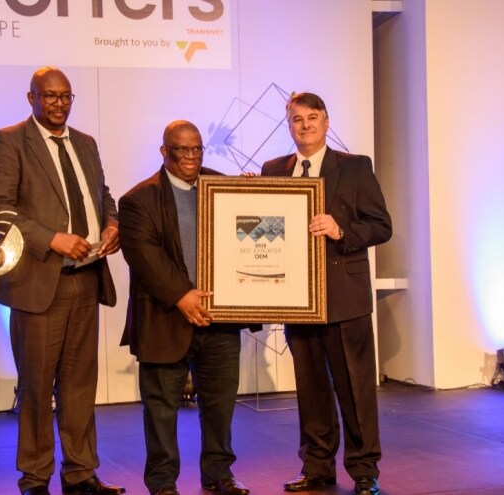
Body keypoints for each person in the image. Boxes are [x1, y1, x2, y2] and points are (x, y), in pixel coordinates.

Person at [0, 67, 124, 495]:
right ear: (31, 98)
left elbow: (102, 196)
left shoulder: (86, 143)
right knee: (37, 388)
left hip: (86, 278)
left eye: (65, 96)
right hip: (39, 284)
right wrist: (53, 240)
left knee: (80, 385)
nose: (59, 104)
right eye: (49, 96)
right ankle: (35, 478)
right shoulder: (8, 141)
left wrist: (112, 224)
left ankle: (81, 473)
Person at [261, 92, 392, 495]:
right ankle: (317, 466)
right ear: (289, 126)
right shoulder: (273, 170)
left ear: (326, 122)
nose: (305, 126)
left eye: (312, 118)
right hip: (297, 299)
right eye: (297, 119)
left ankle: (364, 470)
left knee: (355, 390)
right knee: (311, 389)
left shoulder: (355, 167)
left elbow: (381, 226)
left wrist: (341, 230)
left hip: (345, 299)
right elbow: (265, 226)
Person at [119, 120, 252, 495]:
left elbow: (251, 230)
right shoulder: (138, 199)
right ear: (164, 151)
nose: (191, 156)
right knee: (161, 408)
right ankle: (162, 482)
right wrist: (182, 296)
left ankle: (219, 474)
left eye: (197, 149)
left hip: (218, 318)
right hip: (165, 318)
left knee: (220, 405)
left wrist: (256, 195)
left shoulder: (222, 186)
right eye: (182, 149)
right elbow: (144, 257)